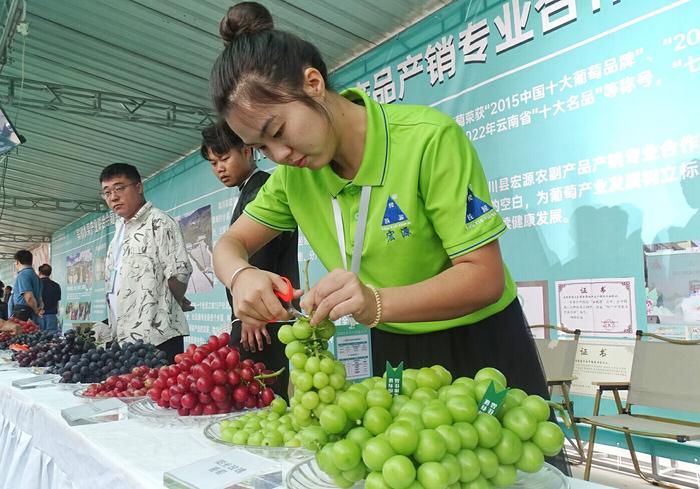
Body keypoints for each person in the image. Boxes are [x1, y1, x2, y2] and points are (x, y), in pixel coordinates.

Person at [209, 3, 571, 473]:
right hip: (397, 357)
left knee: (510, 471)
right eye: (261, 148)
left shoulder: (427, 141)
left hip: (481, 349)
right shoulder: (292, 180)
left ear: (313, 84)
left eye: (278, 131)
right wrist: (240, 277)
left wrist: (373, 302)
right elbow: (227, 247)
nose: (280, 155)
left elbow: (483, 277)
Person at [201, 121, 299, 399]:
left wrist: (253, 314)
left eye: (224, 158)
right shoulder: (249, 190)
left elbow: (260, 256)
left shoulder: (261, 189)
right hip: (258, 314)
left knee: (260, 397)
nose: (219, 168)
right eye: (212, 162)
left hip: (262, 318)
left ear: (247, 150)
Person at [101, 163, 194, 363]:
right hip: (125, 340)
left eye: (119, 188)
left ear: (139, 187)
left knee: (155, 393)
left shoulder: (159, 222)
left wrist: (172, 299)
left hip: (156, 339)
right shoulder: (119, 232)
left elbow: (179, 274)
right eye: (107, 192)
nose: (113, 197)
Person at [8, 250, 43, 323]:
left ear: (17, 262)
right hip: (31, 312)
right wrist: (37, 309)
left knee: (19, 333)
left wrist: (36, 310)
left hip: (22, 312)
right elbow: (40, 298)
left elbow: (29, 297)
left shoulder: (23, 275)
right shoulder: (36, 276)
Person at [37, 264, 61, 334]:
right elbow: (57, 302)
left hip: (39, 315)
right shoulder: (56, 285)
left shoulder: (36, 285)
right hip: (52, 315)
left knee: (37, 339)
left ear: (39, 272)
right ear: (50, 273)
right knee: (51, 341)